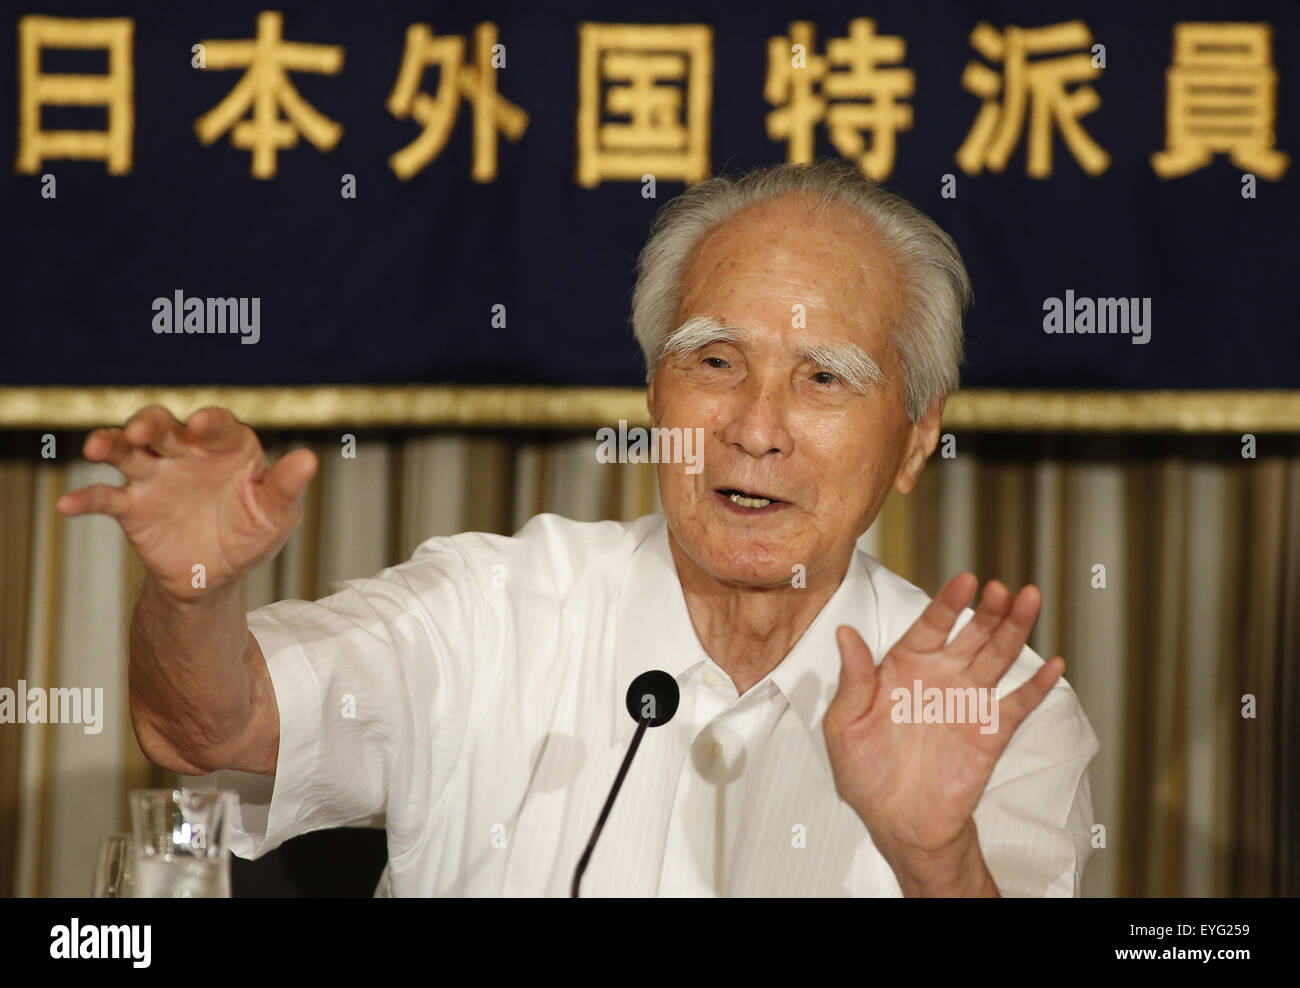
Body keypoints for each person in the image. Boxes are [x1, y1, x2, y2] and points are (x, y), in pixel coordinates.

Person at [59, 159, 1099, 896]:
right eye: (714, 362)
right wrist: (194, 585)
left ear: (917, 438)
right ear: (654, 394)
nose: (754, 429)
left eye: (822, 378)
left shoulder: (998, 711)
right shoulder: (490, 610)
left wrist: (933, 862)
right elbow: (203, 726)